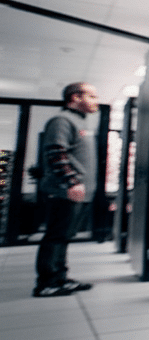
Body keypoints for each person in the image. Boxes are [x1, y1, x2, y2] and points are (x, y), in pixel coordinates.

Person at [33, 82, 99, 297]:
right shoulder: (62, 120)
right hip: (65, 190)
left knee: (64, 236)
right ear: (75, 97)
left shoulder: (82, 123)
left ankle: (60, 277)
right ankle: (47, 283)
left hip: (78, 192)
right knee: (56, 236)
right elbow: (56, 152)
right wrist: (71, 182)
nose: (96, 101)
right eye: (92, 96)